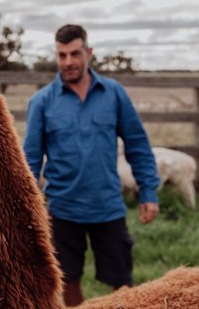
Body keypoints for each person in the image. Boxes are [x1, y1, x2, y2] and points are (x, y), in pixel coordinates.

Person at [23, 24, 160, 306]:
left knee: (122, 284)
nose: (68, 62)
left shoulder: (114, 94)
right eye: (62, 55)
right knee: (66, 281)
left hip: (107, 205)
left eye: (74, 54)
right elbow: (30, 162)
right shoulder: (41, 102)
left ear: (89, 53)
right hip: (62, 209)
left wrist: (148, 191)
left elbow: (137, 144)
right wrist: (25, 209)